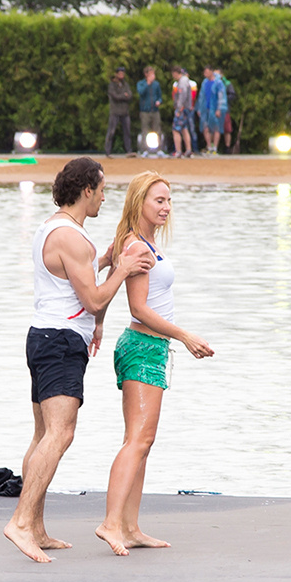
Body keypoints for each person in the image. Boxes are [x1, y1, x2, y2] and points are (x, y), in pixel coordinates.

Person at [4, 157, 151, 564]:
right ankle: (19, 522)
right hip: (60, 343)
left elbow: (71, 280)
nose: (105, 197)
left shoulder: (52, 227)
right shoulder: (75, 238)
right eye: (102, 190)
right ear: (86, 190)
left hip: (42, 337)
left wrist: (102, 263)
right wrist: (121, 269)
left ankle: (35, 527)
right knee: (61, 434)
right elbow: (94, 299)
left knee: (42, 437)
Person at [94, 173, 214, 556]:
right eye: (157, 200)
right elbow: (138, 308)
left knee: (144, 443)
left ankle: (130, 527)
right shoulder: (136, 246)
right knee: (137, 440)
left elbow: (108, 272)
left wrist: (96, 322)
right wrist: (185, 336)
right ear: (139, 202)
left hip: (150, 347)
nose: (164, 207)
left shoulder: (137, 242)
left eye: (167, 201)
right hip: (143, 346)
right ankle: (111, 524)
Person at [197, 66, 228, 155]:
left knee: (216, 128)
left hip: (214, 109)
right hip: (205, 109)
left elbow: (221, 96)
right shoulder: (204, 82)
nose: (205, 74)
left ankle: (215, 147)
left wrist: (219, 109)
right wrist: (199, 108)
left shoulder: (218, 83)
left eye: (206, 72)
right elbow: (201, 96)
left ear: (211, 72)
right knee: (206, 128)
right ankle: (209, 147)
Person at [104, 69, 135, 157]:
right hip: (115, 112)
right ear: (116, 74)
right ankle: (108, 151)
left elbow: (130, 95)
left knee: (127, 132)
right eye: (120, 73)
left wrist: (123, 96)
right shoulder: (112, 85)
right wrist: (124, 96)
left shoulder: (125, 84)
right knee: (111, 131)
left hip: (125, 112)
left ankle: (129, 151)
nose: (122, 75)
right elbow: (115, 96)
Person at [170, 67, 197, 158]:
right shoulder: (185, 81)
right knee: (184, 129)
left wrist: (179, 107)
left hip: (182, 109)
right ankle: (188, 150)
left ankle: (178, 151)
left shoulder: (182, 82)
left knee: (175, 130)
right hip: (187, 109)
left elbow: (182, 95)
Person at [136, 67, 164, 153]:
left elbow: (160, 96)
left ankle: (159, 149)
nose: (153, 76)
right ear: (146, 74)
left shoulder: (156, 84)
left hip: (155, 110)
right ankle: (145, 150)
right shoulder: (141, 83)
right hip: (145, 111)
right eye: (151, 74)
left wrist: (159, 101)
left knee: (157, 129)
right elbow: (140, 92)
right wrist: (147, 83)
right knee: (145, 130)